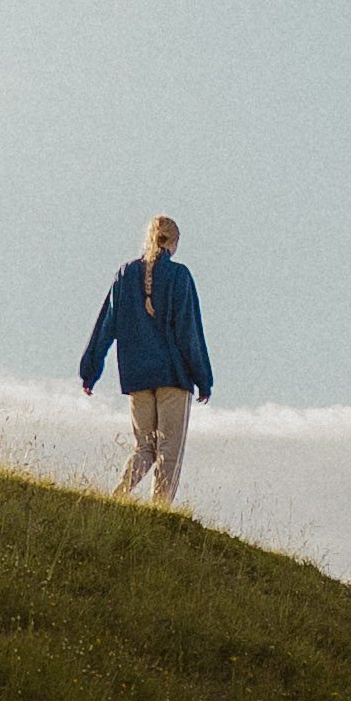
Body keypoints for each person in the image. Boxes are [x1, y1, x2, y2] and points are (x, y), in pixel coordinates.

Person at [79, 212, 214, 506]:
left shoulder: (125, 275)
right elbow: (189, 333)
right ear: (174, 243)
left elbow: (106, 325)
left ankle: (117, 498)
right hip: (173, 376)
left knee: (144, 447)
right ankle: (159, 509)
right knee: (169, 448)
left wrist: (90, 370)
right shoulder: (180, 277)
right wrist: (203, 378)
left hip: (136, 375)